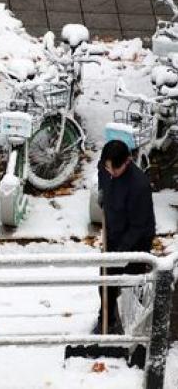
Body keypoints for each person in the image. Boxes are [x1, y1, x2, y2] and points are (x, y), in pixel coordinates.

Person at [94, 139, 156, 334]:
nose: (109, 172)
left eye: (114, 170)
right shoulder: (106, 166)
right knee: (105, 281)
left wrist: (120, 255)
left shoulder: (139, 186)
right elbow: (102, 172)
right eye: (107, 167)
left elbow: (138, 227)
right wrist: (102, 191)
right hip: (113, 230)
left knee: (130, 283)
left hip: (137, 239)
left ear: (127, 162)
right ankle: (106, 319)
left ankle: (133, 328)